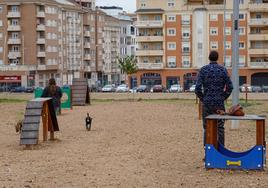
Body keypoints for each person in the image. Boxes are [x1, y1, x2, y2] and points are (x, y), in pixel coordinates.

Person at [195, 51, 233, 147]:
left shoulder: (203, 70)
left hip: (207, 103)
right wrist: (223, 97)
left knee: (207, 127)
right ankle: (221, 151)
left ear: (209, 58)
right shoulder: (223, 70)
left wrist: (203, 98)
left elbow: (197, 89)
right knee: (220, 127)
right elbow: (230, 87)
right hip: (219, 103)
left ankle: (208, 153)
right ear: (217, 58)